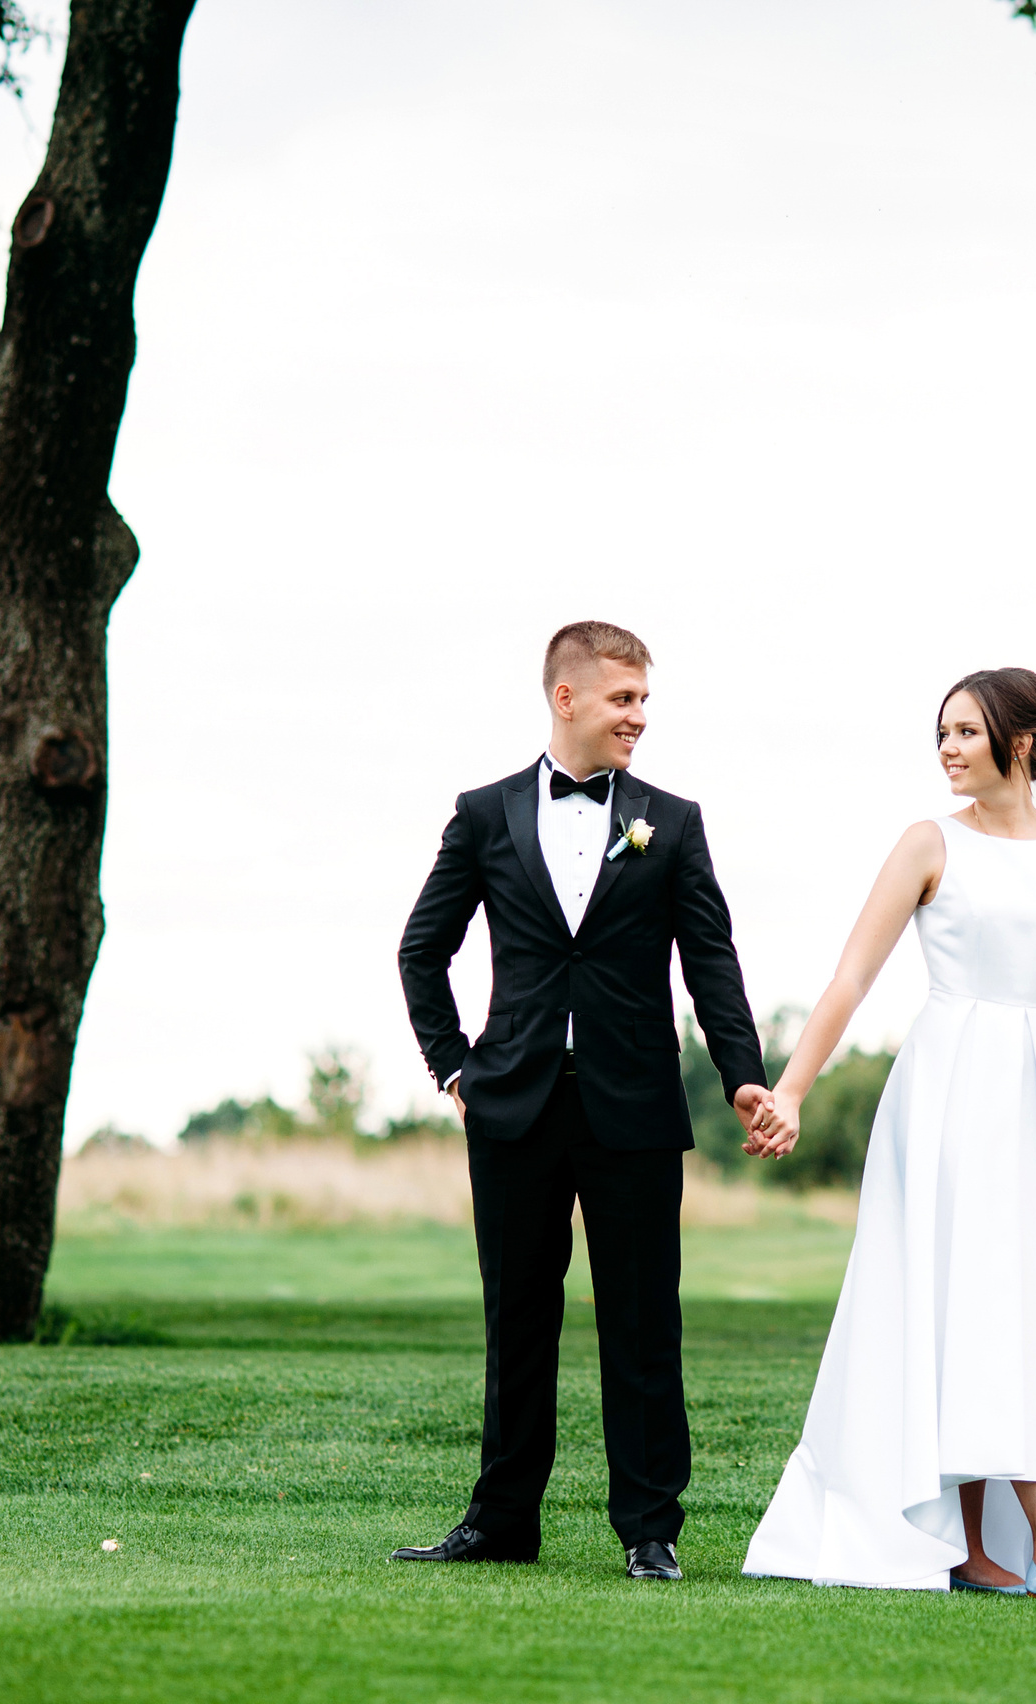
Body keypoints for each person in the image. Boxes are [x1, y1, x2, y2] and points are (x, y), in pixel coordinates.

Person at [740, 667, 1036, 1603]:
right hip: (950, 1087)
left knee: (1022, 1296)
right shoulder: (929, 844)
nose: (947, 749)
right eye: (941, 734)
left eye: (965, 731)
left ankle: (976, 1547)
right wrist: (794, 1091)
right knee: (963, 1292)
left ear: (1018, 740)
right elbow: (852, 976)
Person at [394, 620, 790, 1582]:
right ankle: (501, 1523)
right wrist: (453, 1069)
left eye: (645, 701)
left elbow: (712, 965)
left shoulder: (674, 821)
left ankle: (650, 1529)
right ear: (565, 698)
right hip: (513, 1108)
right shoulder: (483, 814)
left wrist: (744, 1074)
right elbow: (422, 949)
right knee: (515, 1319)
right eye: (624, 700)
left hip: (637, 1108)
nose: (639, 718)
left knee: (645, 1323)